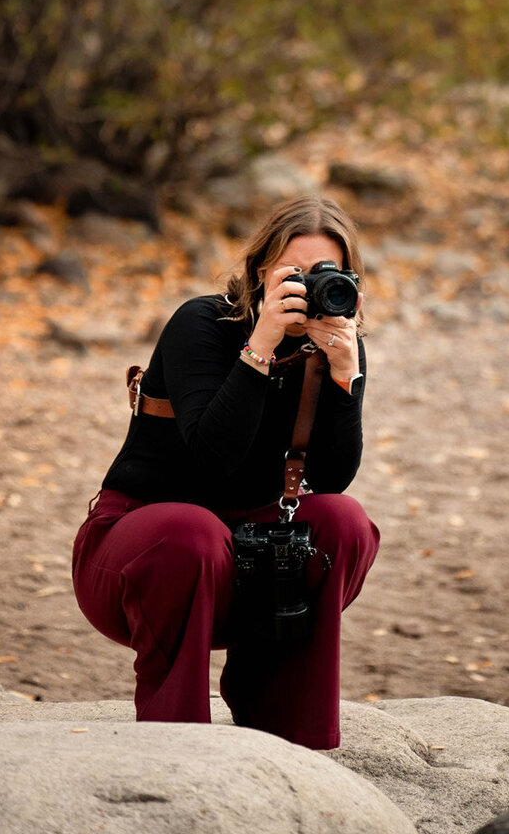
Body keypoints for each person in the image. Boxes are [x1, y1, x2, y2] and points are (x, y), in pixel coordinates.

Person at [71, 195, 379, 749]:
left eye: (329, 273)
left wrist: (344, 379)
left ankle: (288, 725)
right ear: (261, 271)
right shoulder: (203, 323)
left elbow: (331, 478)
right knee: (193, 530)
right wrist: (259, 345)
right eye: (297, 273)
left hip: (249, 558)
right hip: (142, 554)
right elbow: (213, 457)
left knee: (343, 520)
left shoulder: (336, 338)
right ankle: (180, 741)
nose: (313, 288)